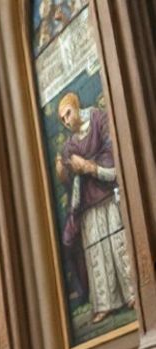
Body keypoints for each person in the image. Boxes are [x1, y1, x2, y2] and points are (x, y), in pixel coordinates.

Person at [55, 92, 134, 323]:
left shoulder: (99, 119)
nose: (67, 121)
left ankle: (131, 293)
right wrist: (63, 174)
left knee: (118, 245)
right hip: (88, 203)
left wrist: (90, 167)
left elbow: (112, 153)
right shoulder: (69, 145)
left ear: (77, 107)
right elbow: (69, 179)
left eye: (68, 113)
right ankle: (105, 303)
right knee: (96, 253)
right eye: (62, 119)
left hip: (108, 193)